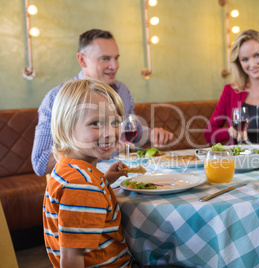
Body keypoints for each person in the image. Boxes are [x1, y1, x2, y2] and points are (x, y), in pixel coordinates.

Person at [32, 29, 173, 176]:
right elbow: (40, 164)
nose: (114, 65)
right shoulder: (56, 98)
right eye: (105, 59)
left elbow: (133, 134)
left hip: (117, 176)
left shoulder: (121, 90)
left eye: (116, 58)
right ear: (82, 60)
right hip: (80, 182)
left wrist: (151, 135)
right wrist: (92, 146)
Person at [43, 78, 132, 267]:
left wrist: (105, 179)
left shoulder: (71, 170)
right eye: (96, 124)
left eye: (115, 122)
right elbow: (72, 258)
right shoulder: (81, 185)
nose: (109, 132)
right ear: (65, 129)